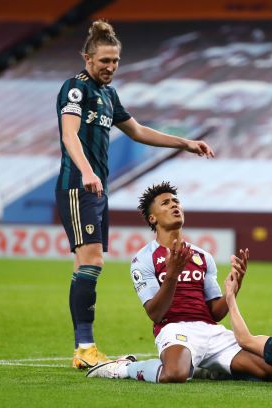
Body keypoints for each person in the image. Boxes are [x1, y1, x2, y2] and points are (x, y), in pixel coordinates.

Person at [55, 20, 215, 370]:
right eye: (104, 61)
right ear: (87, 57)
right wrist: (86, 171)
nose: (110, 67)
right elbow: (69, 136)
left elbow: (138, 130)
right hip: (78, 186)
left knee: (85, 265)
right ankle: (85, 347)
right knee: (92, 260)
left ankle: (84, 346)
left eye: (115, 61)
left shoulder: (109, 95)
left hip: (97, 189)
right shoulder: (75, 90)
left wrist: (184, 143)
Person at [86, 182, 272, 382]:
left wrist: (234, 288)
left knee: (270, 371)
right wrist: (172, 275)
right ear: (153, 218)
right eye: (165, 203)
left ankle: (201, 368)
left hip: (210, 331)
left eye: (176, 201)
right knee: (174, 374)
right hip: (174, 328)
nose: (174, 205)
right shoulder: (143, 259)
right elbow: (155, 313)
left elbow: (215, 313)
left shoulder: (202, 256)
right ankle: (124, 368)